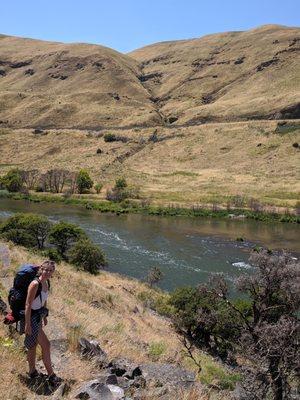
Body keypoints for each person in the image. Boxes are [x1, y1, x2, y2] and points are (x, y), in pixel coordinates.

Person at [22, 260, 59, 384]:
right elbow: (27, 304)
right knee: (45, 345)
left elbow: (44, 299)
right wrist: (27, 324)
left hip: (38, 316)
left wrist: (45, 316)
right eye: (46, 269)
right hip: (31, 318)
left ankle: (32, 372)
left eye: (50, 270)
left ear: (53, 272)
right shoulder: (35, 284)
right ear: (41, 269)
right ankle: (51, 374)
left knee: (33, 347)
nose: (47, 272)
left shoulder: (46, 283)